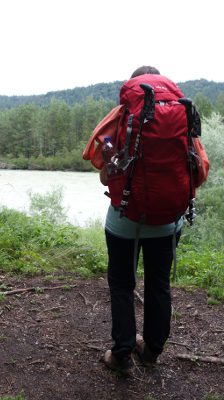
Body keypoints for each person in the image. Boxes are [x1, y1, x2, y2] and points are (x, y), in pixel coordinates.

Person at [101, 66, 183, 375]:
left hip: (125, 219)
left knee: (122, 284)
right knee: (159, 283)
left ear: (132, 88)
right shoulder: (180, 118)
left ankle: (121, 354)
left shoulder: (121, 117)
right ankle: (151, 352)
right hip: (168, 220)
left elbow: (105, 174)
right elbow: (199, 171)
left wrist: (112, 163)